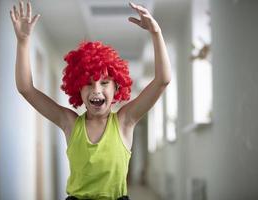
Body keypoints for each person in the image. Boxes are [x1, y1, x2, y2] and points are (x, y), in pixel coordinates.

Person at [10, 1, 171, 200]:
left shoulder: (124, 121)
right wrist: (23, 43)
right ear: (77, 87)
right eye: (88, 83)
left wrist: (156, 33)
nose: (96, 90)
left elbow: (162, 80)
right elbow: (26, 89)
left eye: (104, 83)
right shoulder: (69, 122)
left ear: (117, 87)